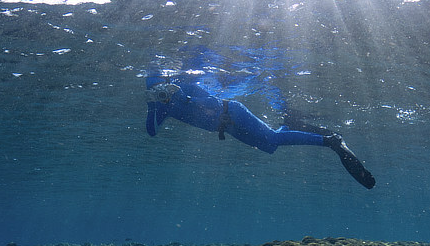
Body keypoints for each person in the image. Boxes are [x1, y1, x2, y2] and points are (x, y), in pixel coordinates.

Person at [145, 74, 376, 189]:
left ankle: (330, 141)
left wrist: (185, 97)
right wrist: (151, 107)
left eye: (160, 88)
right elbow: (152, 132)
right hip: (228, 129)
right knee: (271, 145)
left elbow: (214, 103)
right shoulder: (163, 108)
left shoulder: (184, 86)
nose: (161, 94)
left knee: (272, 138)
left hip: (232, 112)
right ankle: (291, 124)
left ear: (166, 82)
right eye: (154, 92)